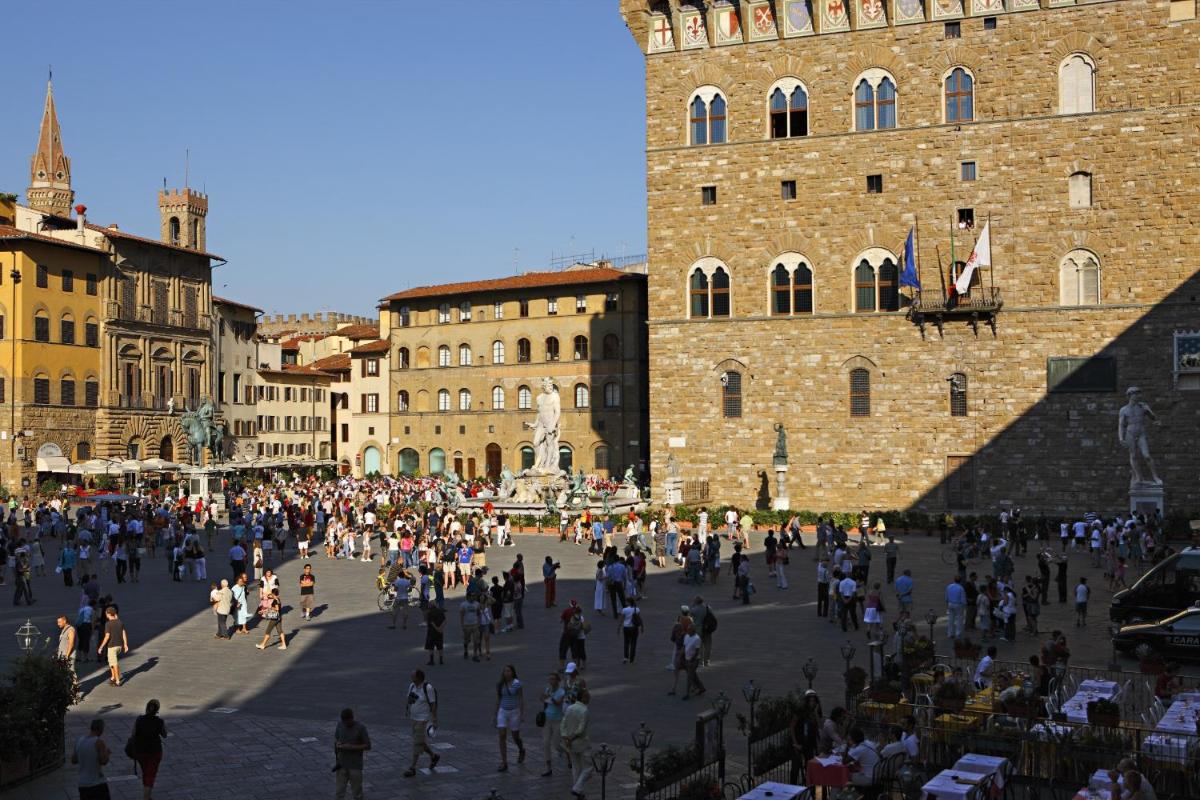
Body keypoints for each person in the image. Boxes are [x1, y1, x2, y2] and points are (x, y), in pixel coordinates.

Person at [403, 670, 440, 778]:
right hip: (414, 718)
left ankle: (412, 767)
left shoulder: (428, 688)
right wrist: (408, 708)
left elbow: (433, 704)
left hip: (423, 719)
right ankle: (433, 756)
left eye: (413, 676)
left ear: (419, 678)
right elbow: (409, 698)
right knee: (420, 741)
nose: (411, 677)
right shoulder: (412, 686)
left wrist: (434, 720)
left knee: (416, 742)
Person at [131, 699, 167, 800]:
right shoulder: (159, 721)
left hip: (140, 751)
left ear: (146, 708)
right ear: (157, 710)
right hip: (154, 752)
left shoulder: (139, 719)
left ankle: (148, 795)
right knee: (150, 774)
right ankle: (146, 797)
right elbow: (165, 735)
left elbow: (133, 733)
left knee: (146, 772)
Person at [561, 689, 593, 800]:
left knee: (575, 767)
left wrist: (566, 738)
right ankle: (577, 788)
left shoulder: (569, 708)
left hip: (570, 744)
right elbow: (581, 730)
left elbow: (563, 724)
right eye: (588, 696)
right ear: (583, 698)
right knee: (589, 767)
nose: (589, 698)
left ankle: (578, 790)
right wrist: (571, 738)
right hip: (581, 743)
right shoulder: (585, 710)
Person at [333, 708, 371, 800]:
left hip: (355, 765)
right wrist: (337, 744)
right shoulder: (340, 725)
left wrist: (351, 747)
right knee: (339, 792)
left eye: (347, 722)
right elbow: (336, 739)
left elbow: (368, 745)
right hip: (341, 764)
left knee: (357, 792)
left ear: (352, 718)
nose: (346, 724)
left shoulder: (360, 728)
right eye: (344, 722)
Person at [495, 664, 526, 771]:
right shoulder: (500, 684)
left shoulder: (517, 684)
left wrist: (522, 713)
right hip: (503, 711)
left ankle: (521, 749)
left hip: (514, 711)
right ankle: (504, 762)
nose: (507, 673)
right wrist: (495, 714)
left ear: (513, 672)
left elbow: (521, 698)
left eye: (509, 671)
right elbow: (498, 699)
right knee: (502, 735)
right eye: (505, 671)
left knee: (515, 736)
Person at [71, 718, 111, 800]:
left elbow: (73, 760)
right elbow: (103, 761)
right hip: (97, 783)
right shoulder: (99, 743)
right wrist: (107, 753)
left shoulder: (79, 740)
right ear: (100, 729)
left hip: (82, 784)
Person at [540, 671, 567, 777]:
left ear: (558, 680)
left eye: (553, 679)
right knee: (545, 743)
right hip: (547, 719)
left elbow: (558, 704)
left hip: (558, 720)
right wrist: (543, 699)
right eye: (550, 679)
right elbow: (545, 702)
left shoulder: (561, 692)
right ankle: (548, 768)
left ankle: (568, 753)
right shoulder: (548, 689)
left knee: (556, 744)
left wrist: (550, 697)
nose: (551, 681)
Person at [96, 606, 128, 687]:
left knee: (114, 663)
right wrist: (125, 644)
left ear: (109, 614)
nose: (106, 614)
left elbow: (107, 636)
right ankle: (113, 677)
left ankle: (117, 680)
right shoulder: (120, 622)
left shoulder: (108, 624)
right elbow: (124, 633)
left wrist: (101, 647)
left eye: (106, 613)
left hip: (112, 646)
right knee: (111, 662)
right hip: (119, 646)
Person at [682, 621, 705, 699]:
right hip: (687, 659)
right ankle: (701, 688)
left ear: (693, 630)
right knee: (693, 675)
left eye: (689, 629)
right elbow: (684, 647)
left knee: (689, 676)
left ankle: (687, 693)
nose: (687, 630)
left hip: (694, 660)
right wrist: (683, 657)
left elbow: (697, 651)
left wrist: (691, 660)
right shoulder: (686, 636)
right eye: (688, 629)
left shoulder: (697, 638)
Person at [620, 596, 644, 664]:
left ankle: (625, 657)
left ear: (628, 602)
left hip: (626, 627)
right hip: (634, 628)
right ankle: (632, 659)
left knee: (626, 642)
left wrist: (619, 627)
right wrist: (642, 627)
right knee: (633, 643)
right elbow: (639, 619)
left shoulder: (624, 610)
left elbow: (622, 619)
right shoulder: (637, 609)